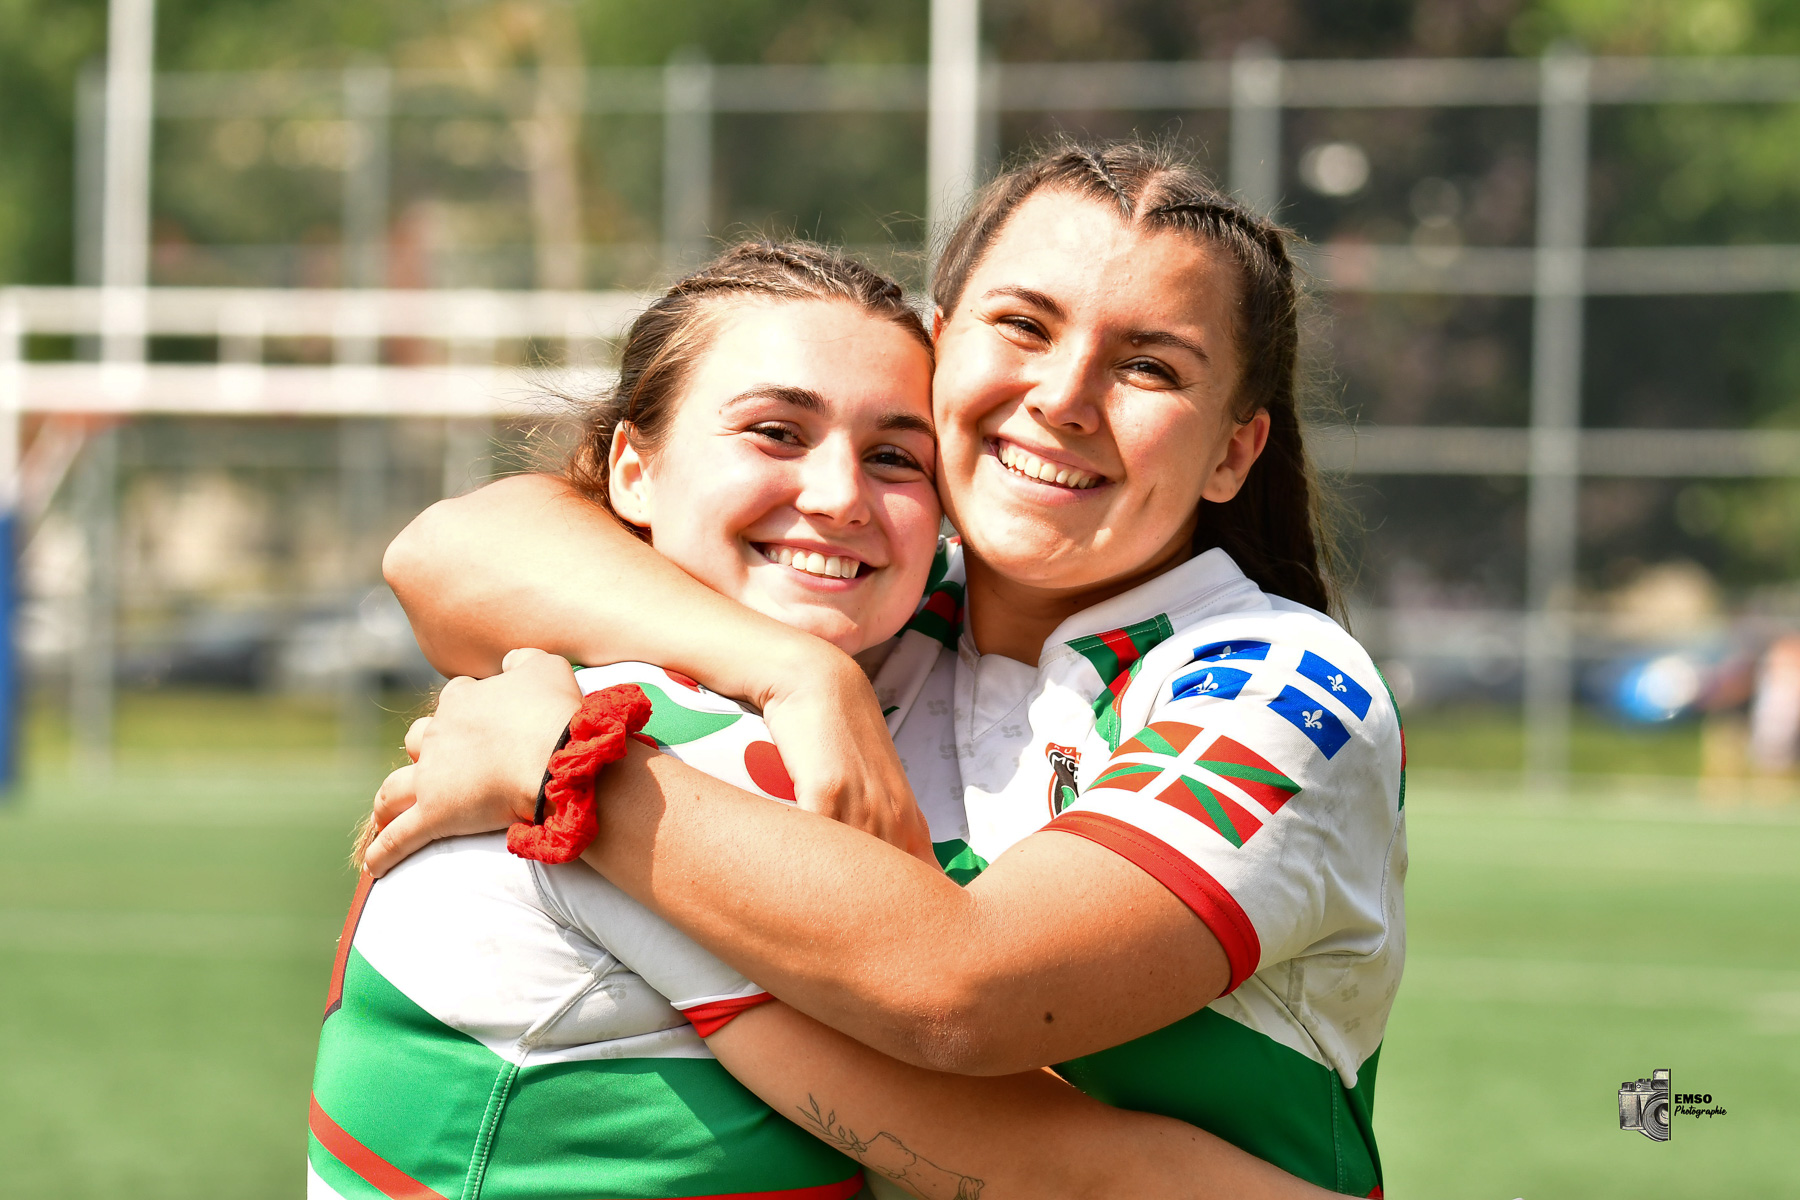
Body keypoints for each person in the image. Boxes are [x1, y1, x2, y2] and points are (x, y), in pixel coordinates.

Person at [370, 142, 1407, 1197]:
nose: (1065, 396)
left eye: (1148, 366)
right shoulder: (868, 613)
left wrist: (573, 771)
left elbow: (969, 994)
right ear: (944, 350)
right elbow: (447, 552)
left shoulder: (1275, 683)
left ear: (1234, 453)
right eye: (1025, 326)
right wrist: (793, 674)